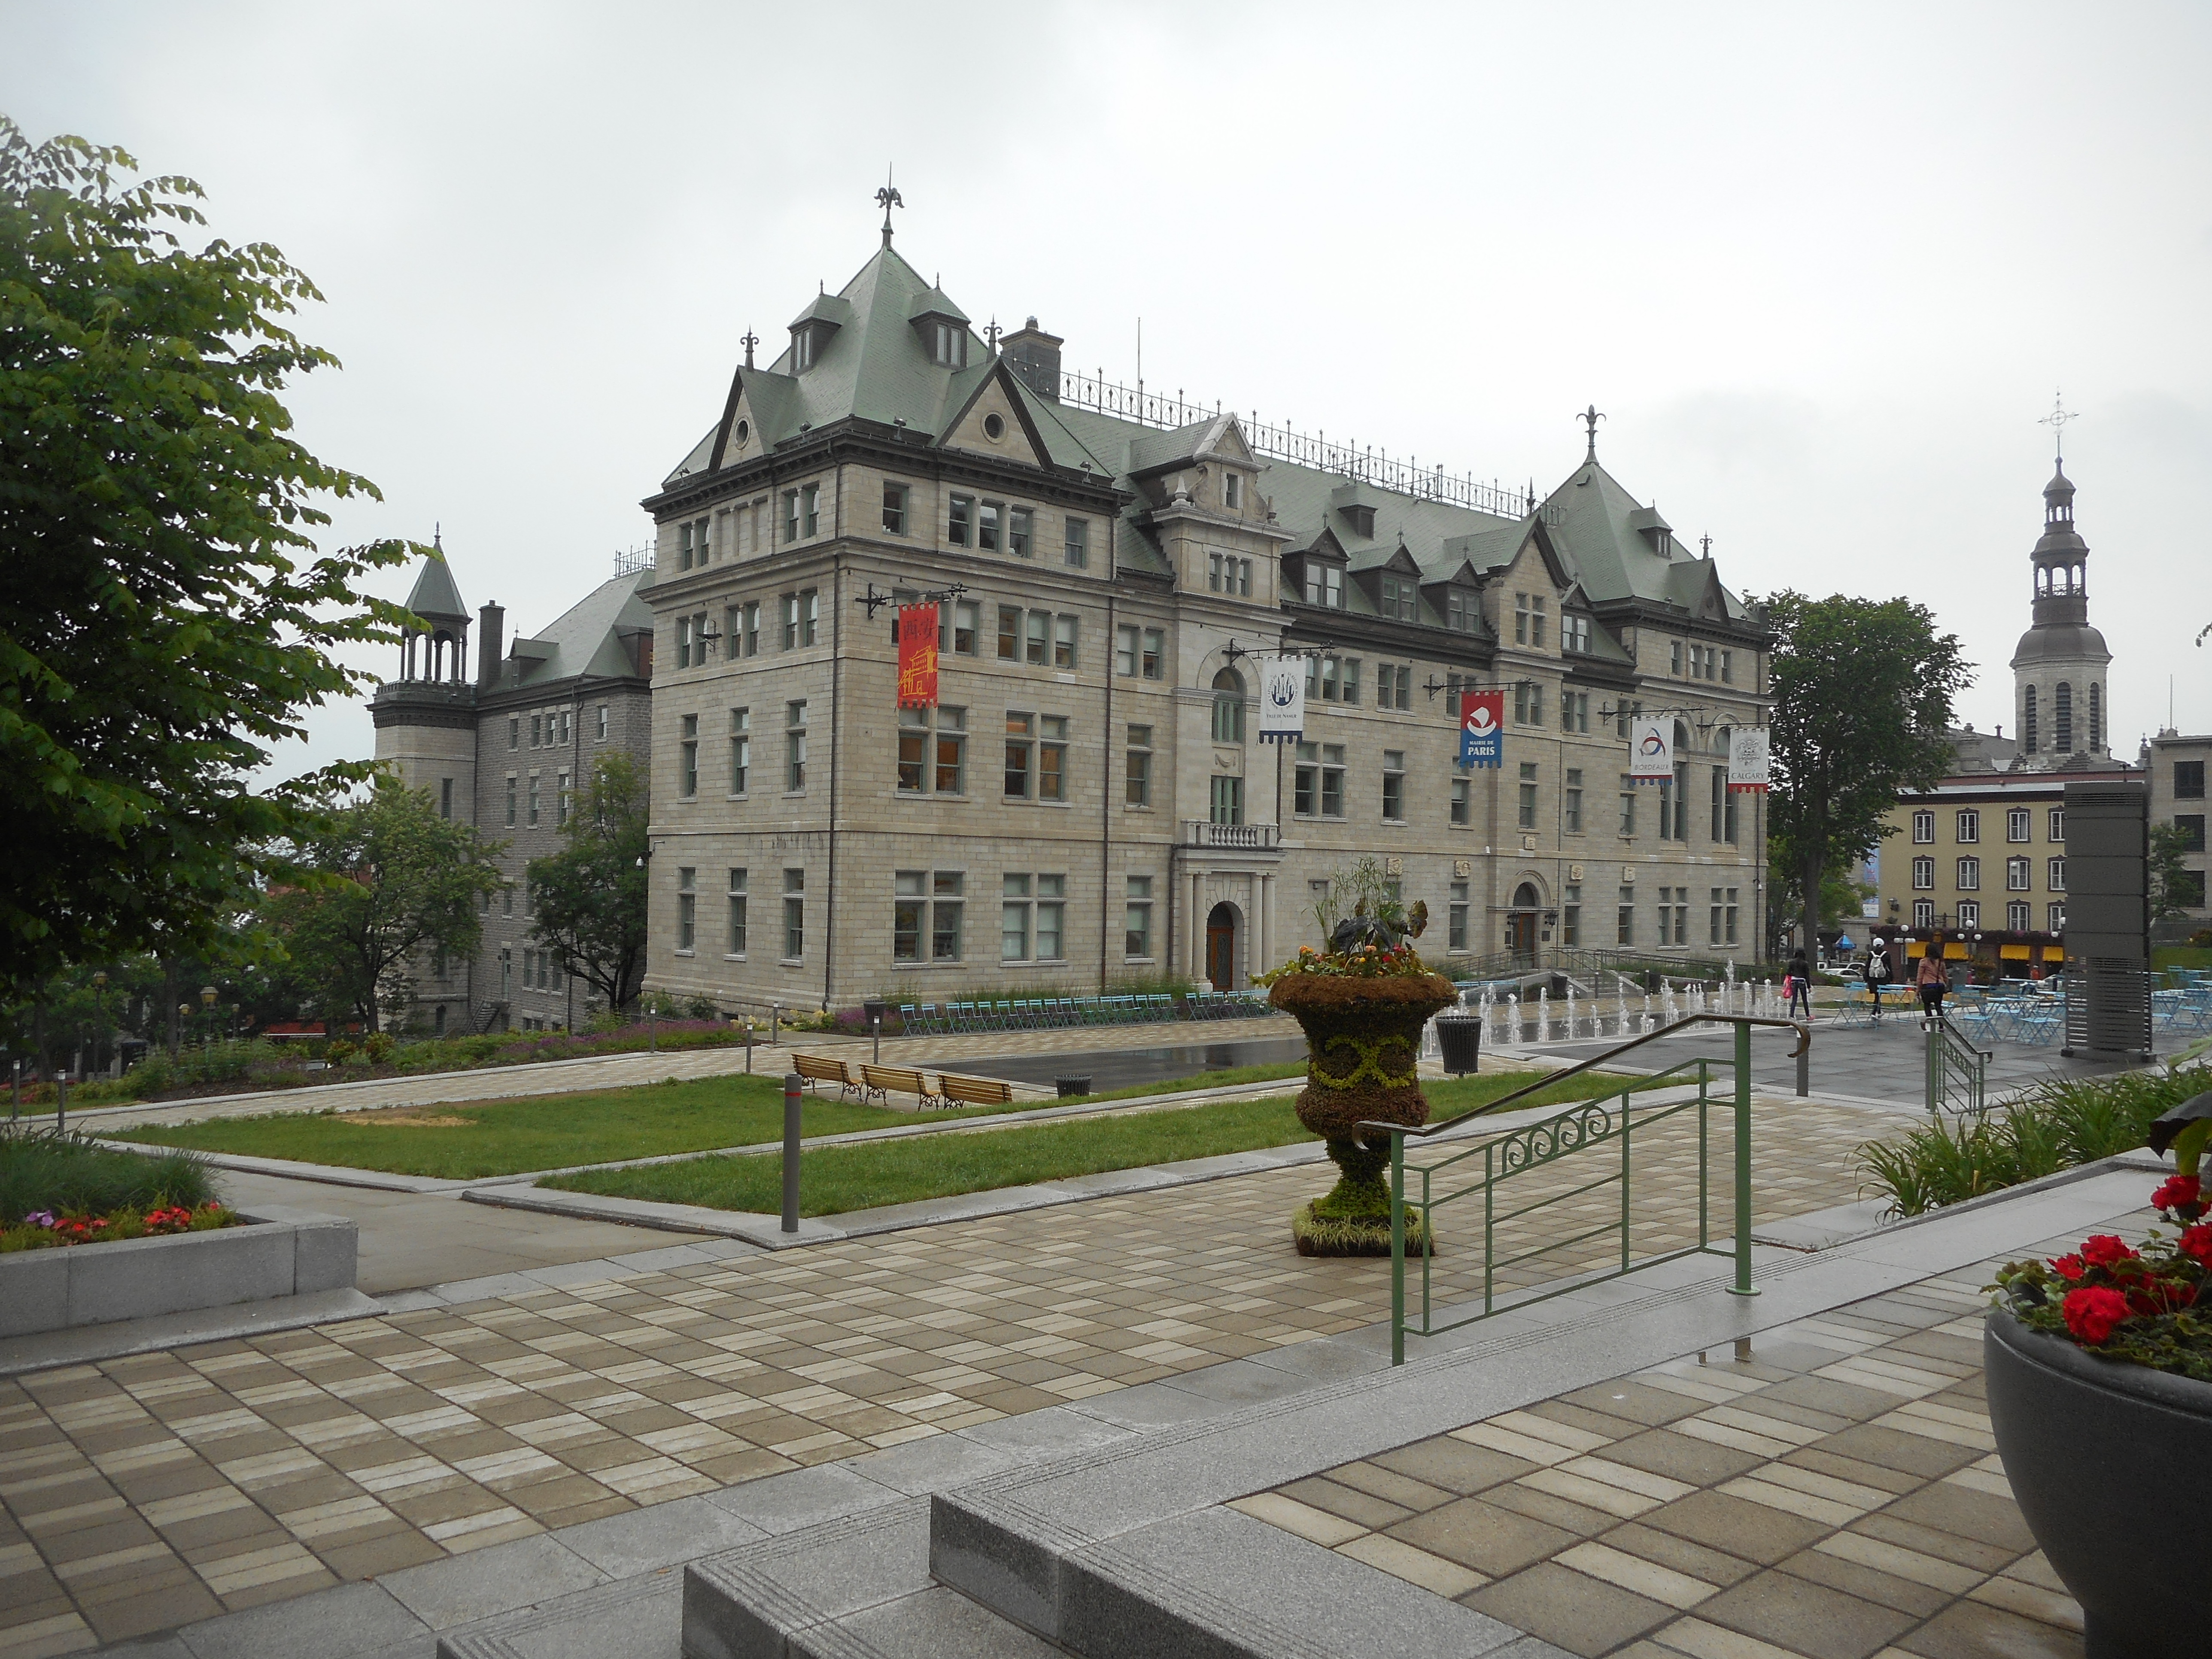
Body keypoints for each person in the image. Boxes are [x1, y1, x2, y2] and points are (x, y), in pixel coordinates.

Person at [1916, 945, 1948, 1020]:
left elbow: (1920, 977)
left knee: (1927, 1005)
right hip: (1940, 986)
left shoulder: (1924, 962)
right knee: (1938, 1006)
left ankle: (1931, 1023)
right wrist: (1946, 984)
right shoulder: (1941, 962)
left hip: (1928, 986)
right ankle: (1941, 1025)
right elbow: (1945, 976)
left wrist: (1918, 990)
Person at [1863, 941, 1891, 1018]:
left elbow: (1867, 967)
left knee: (1877, 995)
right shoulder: (1886, 955)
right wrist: (1891, 978)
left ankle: (1878, 1011)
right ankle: (1874, 1012)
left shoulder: (1870, 954)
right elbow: (1889, 967)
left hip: (1872, 978)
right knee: (1879, 995)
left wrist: (1866, 978)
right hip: (1882, 978)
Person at [1786, 949, 1813, 1020]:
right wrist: (1809, 987)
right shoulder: (1805, 963)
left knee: (1794, 999)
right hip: (1802, 981)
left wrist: (1794, 975)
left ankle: (1792, 1016)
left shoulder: (1792, 962)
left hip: (1794, 981)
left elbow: (1788, 972)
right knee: (1805, 999)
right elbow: (1807, 976)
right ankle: (1808, 1016)